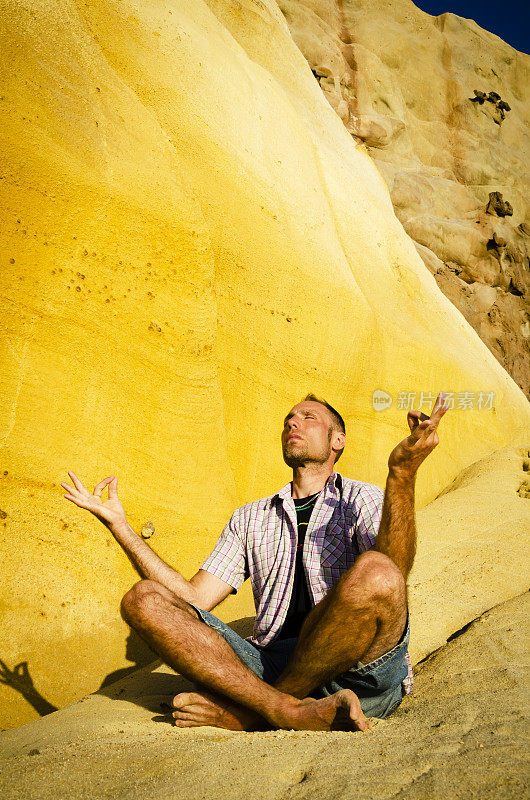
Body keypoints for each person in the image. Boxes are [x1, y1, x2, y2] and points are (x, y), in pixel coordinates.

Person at [61, 391, 449, 732]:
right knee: (142, 599)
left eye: (308, 417)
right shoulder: (249, 518)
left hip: (355, 673)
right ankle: (283, 709)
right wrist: (121, 525)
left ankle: (255, 714)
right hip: (268, 665)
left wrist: (402, 475)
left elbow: (392, 575)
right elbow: (194, 598)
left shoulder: (362, 498)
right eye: (288, 420)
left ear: (338, 440)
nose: (293, 422)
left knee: (377, 572)